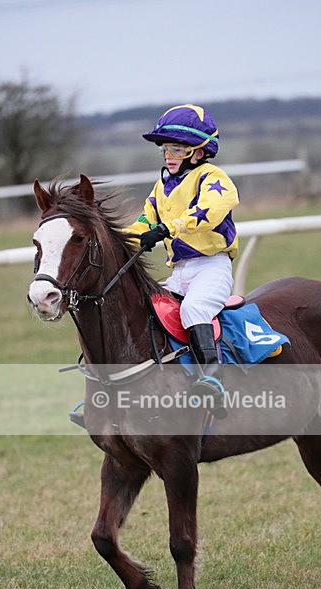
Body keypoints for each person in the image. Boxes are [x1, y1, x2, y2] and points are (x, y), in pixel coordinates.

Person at [127, 104, 239, 402]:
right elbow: (143, 223)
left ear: (199, 151)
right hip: (180, 272)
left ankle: (213, 379)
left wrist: (167, 229)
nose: (168, 156)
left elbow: (209, 213)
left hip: (212, 268)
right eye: (165, 149)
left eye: (176, 149)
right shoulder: (161, 186)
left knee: (194, 310)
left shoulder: (213, 178)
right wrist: (111, 240)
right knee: (143, 309)